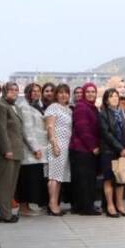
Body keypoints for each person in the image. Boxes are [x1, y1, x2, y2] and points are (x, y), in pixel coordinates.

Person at [98, 88, 125, 217]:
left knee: (121, 179)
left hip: (124, 151)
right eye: (111, 96)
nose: (114, 98)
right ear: (106, 100)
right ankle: (110, 206)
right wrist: (120, 148)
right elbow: (106, 134)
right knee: (108, 179)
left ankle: (120, 205)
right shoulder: (103, 113)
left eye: (116, 96)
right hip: (109, 151)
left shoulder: (124, 112)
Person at [0, 82, 24, 223]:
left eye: (16, 90)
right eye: (11, 89)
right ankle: (4, 215)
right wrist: (6, 150)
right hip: (6, 153)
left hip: (16, 152)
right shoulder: (0, 106)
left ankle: (7, 211)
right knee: (4, 184)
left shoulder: (14, 107)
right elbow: (0, 130)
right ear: (4, 91)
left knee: (11, 185)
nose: (14, 92)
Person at [17, 83, 49, 215]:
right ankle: (23, 208)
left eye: (38, 91)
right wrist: (35, 148)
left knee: (33, 180)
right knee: (26, 180)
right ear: (27, 92)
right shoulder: (24, 107)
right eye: (33, 91)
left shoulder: (37, 106)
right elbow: (27, 130)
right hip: (30, 150)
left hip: (40, 149)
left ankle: (29, 206)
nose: (36, 93)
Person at [69, 82, 101, 215]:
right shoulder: (81, 107)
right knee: (85, 180)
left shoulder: (92, 107)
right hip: (82, 149)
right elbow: (83, 129)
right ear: (83, 93)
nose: (90, 94)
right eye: (87, 91)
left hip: (86, 149)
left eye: (93, 91)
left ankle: (81, 206)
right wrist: (93, 147)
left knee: (85, 179)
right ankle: (86, 207)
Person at [43, 84, 71, 216]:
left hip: (66, 146)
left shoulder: (68, 109)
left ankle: (55, 203)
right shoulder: (53, 107)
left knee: (59, 177)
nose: (63, 95)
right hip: (57, 145)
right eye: (60, 92)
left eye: (66, 93)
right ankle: (52, 204)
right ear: (56, 94)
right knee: (54, 176)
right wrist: (54, 144)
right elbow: (49, 127)